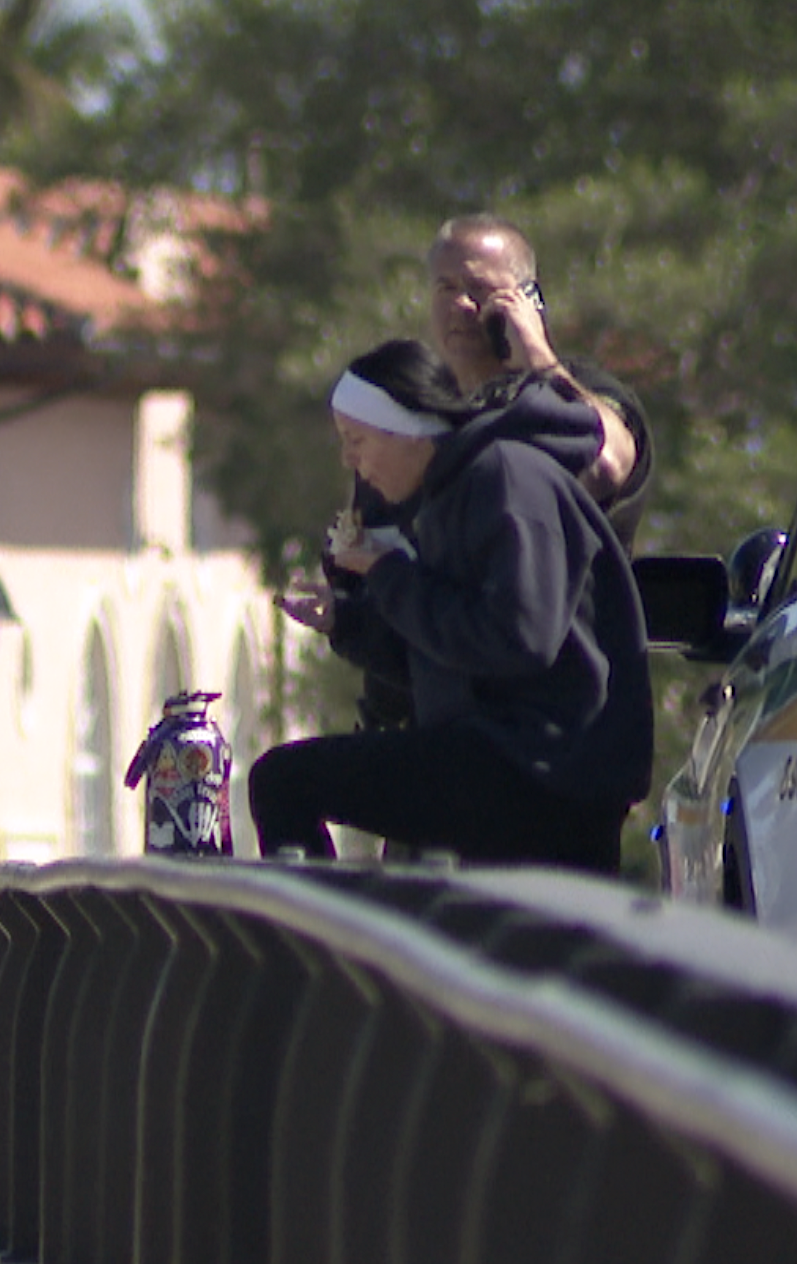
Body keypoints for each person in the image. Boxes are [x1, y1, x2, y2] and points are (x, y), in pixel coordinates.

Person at [254, 338, 654, 873]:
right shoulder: (453, 491)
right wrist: (348, 622)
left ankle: (316, 954)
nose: (351, 461)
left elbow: (518, 639)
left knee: (286, 782)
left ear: (406, 431)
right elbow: (449, 647)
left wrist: (387, 572)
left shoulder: (505, 478)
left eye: (357, 440)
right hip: (506, 756)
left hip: (543, 767)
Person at [427, 214, 655, 549]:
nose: (461, 303)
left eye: (480, 288)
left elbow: (608, 462)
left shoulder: (584, 391)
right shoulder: (423, 413)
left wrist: (540, 360)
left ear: (527, 300)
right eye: (447, 288)